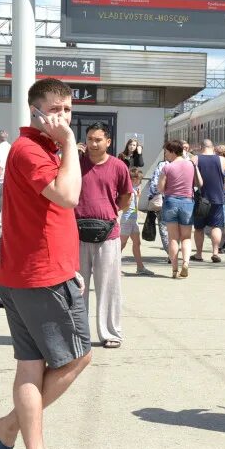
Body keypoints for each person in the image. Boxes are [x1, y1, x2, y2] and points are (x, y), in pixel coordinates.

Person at [0, 78, 90, 449]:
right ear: (36, 111)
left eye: (67, 110)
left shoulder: (34, 149)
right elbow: (68, 197)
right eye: (55, 109)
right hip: (42, 277)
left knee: (30, 367)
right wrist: (69, 145)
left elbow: (46, 216)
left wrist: (70, 264)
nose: (63, 118)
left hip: (29, 272)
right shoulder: (32, 150)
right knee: (77, 357)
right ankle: (10, 428)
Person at [75, 122, 133, 349]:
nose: (93, 143)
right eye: (90, 139)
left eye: (98, 139)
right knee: (76, 286)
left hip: (107, 234)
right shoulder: (76, 164)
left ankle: (110, 333)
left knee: (109, 286)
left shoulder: (119, 166)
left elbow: (126, 197)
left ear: (108, 142)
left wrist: (109, 213)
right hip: (76, 233)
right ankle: (78, 333)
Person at [158, 139, 201, 278]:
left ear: (172, 151)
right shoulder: (190, 165)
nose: (165, 155)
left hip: (170, 202)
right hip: (187, 203)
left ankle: (174, 270)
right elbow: (199, 183)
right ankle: (186, 263)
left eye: (166, 152)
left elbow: (160, 188)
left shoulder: (167, 167)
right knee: (186, 237)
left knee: (172, 238)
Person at [191, 139, 225, 263]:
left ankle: (199, 254)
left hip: (201, 199)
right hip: (217, 198)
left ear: (201, 147)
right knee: (216, 226)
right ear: (213, 147)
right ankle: (215, 253)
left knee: (199, 228)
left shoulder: (195, 159)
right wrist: (221, 191)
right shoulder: (223, 160)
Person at [120, 168, 154, 276]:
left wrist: (138, 197)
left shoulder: (135, 188)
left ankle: (140, 267)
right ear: (134, 179)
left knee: (137, 243)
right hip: (127, 219)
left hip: (133, 219)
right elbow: (125, 204)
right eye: (139, 179)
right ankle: (113, 267)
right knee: (121, 244)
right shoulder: (128, 188)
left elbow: (135, 206)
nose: (141, 181)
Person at [147, 152, 171, 257]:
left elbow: (154, 183)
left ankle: (171, 253)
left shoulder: (162, 165)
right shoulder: (187, 164)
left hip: (163, 200)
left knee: (164, 227)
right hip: (182, 201)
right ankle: (174, 252)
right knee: (178, 228)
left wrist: (152, 195)